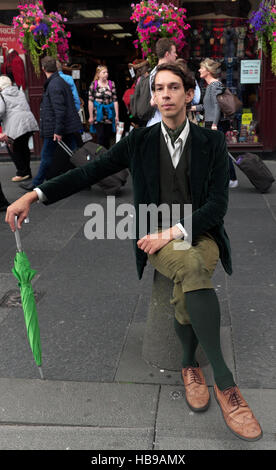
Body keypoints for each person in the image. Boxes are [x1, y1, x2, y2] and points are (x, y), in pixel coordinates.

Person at [5, 63, 262, 442]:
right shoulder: (140, 140)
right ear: (154, 96)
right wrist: (35, 194)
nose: (167, 94)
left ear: (189, 95)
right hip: (151, 235)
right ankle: (225, 384)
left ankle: (193, 365)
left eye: (175, 87)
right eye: (159, 88)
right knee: (191, 268)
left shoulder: (211, 142)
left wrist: (172, 232)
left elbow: (217, 206)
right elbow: (87, 172)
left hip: (200, 232)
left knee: (191, 268)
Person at [19, 56, 82, 192]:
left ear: (43, 69)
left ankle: (36, 183)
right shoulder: (59, 82)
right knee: (76, 153)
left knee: (47, 155)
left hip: (56, 127)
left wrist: (58, 130)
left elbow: (59, 109)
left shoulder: (54, 84)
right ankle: (87, 177)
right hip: (66, 126)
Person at [191, 58, 238, 188]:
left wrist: (214, 125)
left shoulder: (215, 85)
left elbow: (217, 106)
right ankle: (215, 178)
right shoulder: (210, 86)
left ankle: (232, 178)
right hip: (211, 122)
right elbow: (207, 107)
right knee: (212, 152)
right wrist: (189, 108)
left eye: (201, 68)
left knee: (220, 152)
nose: (199, 70)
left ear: (207, 70)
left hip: (214, 123)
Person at [0, 75, 39, 182]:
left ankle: (22, 172)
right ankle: (27, 171)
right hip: (28, 122)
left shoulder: (2, 95)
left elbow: (1, 111)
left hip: (16, 125)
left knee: (13, 148)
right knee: (24, 146)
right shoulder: (19, 91)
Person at [147, 38, 178, 127]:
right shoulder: (160, 73)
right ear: (167, 54)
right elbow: (156, 101)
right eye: (174, 52)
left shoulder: (154, 72)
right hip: (162, 123)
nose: (176, 55)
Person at [88, 65, 119, 149]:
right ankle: (100, 156)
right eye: (104, 72)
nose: (106, 74)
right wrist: (90, 116)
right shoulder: (93, 85)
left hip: (109, 115)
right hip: (97, 115)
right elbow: (90, 101)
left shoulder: (111, 84)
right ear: (98, 74)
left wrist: (116, 115)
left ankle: (106, 156)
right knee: (100, 137)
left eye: (107, 72)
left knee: (107, 138)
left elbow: (115, 100)